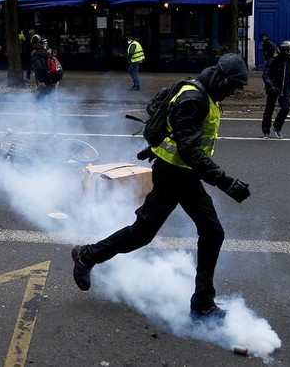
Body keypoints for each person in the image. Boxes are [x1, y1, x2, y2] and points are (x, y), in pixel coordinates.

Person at [70, 53, 251, 321]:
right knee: (150, 233)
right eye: (233, 87)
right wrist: (226, 182)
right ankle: (86, 255)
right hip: (174, 175)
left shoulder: (201, 94)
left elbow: (175, 132)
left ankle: (202, 302)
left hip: (182, 175)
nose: (233, 93)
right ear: (221, 78)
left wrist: (153, 148)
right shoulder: (194, 99)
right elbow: (189, 150)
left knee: (201, 233)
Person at [261, 41, 290, 139]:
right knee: (269, 110)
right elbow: (265, 75)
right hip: (273, 88)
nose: (289, 52)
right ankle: (266, 130)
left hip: (285, 89)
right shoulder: (273, 61)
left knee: (285, 109)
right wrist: (270, 85)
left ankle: (277, 127)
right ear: (282, 50)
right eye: (287, 50)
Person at [31, 38, 59, 131]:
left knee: (38, 101)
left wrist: (41, 81)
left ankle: (41, 122)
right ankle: (55, 121)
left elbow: (39, 69)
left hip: (44, 82)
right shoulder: (47, 54)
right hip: (51, 80)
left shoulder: (35, 55)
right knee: (52, 101)